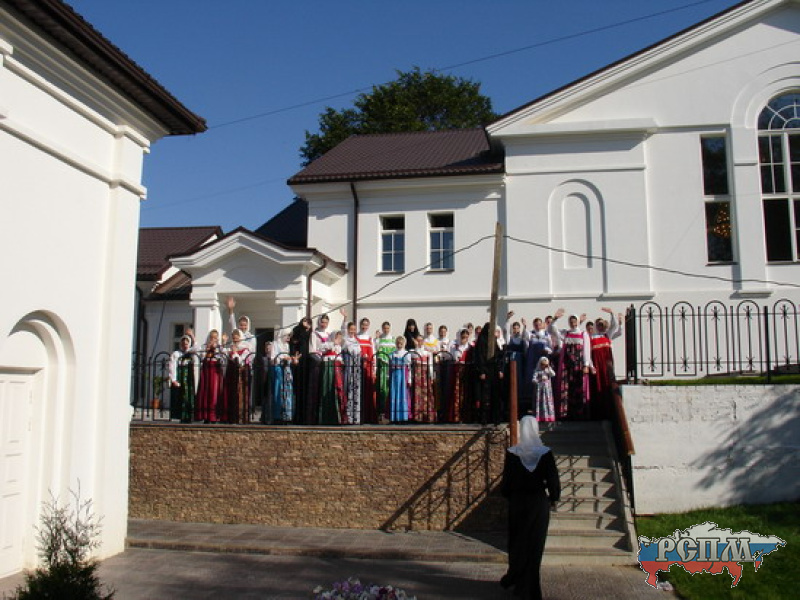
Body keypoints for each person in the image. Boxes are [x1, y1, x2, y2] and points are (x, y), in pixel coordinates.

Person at [501, 415, 560, 600]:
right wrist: (554, 498)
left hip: (518, 502)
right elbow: (553, 479)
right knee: (535, 544)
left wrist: (510, 496)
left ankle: (518, 579)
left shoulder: (513, 453)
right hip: (537, 502)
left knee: (518, 543)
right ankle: (530, 586)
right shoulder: (545, 453)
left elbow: (506, 482)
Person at [549, 309, 592, 420]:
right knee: (566, 387)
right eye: (571, 321)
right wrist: (555, 319)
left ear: (578, 322)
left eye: (574, 321)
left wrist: (586, 364)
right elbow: (552, 330)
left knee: (579, 386)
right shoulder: (566, 333)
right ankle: (566, 413)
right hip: (567, 365)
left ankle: (580, 413)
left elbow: (587, 350)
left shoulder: (583, 334)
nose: (573, 323)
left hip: (579, 364)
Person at [220, 329, 251, 423]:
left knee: (240, 394)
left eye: (237, 338)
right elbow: (222, 352)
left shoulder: (245, 349)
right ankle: (230, 417)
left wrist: (234, 352)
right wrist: (224, 343)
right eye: (234, 338)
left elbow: (240, 361)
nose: (235, 340)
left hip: (240, 375)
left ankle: (240, 417)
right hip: (231, 374)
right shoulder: (231, 347)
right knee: (230, 394)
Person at [195, 329, 224, 423]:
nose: (213, 339)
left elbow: (222, 358)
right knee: (205, 390)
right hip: (206, 369)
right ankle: (205, 415)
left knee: (214, 391)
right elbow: (201, 356)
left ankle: (214, 416)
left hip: (215, 369)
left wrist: (216, 349)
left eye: (215, 337)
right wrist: (207, 350)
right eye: (212, 337)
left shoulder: (219, 347)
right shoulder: (204, 346)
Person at [168, 335, 197, 423]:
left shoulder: (190, 353)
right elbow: (172, 366)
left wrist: (193, 337)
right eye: (183, 344)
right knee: (181, 395)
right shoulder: (176, 354)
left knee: (189, 395)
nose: (185, 346)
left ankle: (189, 415)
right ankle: (181, 416)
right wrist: (173, 379)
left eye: (187, 344)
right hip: (181, 374)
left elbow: (197, 348)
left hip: (189, 375)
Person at [389, 336, 411, 422]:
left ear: (404, 344)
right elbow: (389, 367)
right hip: (394, 376)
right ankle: (394, 416)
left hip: (402, 376)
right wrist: (388, 376)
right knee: (394, 393)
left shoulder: (406, 353)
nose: (399, 345)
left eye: (401, 343)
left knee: (402, 393)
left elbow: (409, 368)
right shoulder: (392, 354)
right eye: (398, 343)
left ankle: (403, 416)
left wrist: (409, 379)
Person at [532, 356, 556, 423]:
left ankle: (548, 417)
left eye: (545, 365)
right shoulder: (537, 371)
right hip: (540, 391)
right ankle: (540, 417)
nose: (544, 366)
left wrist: (549, 367)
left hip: (547, 391)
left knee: (547, 403)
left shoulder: (548, 370)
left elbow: (553, 374)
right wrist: (539, 380)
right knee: (541, 404)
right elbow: (533, 380)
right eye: (542, 364)